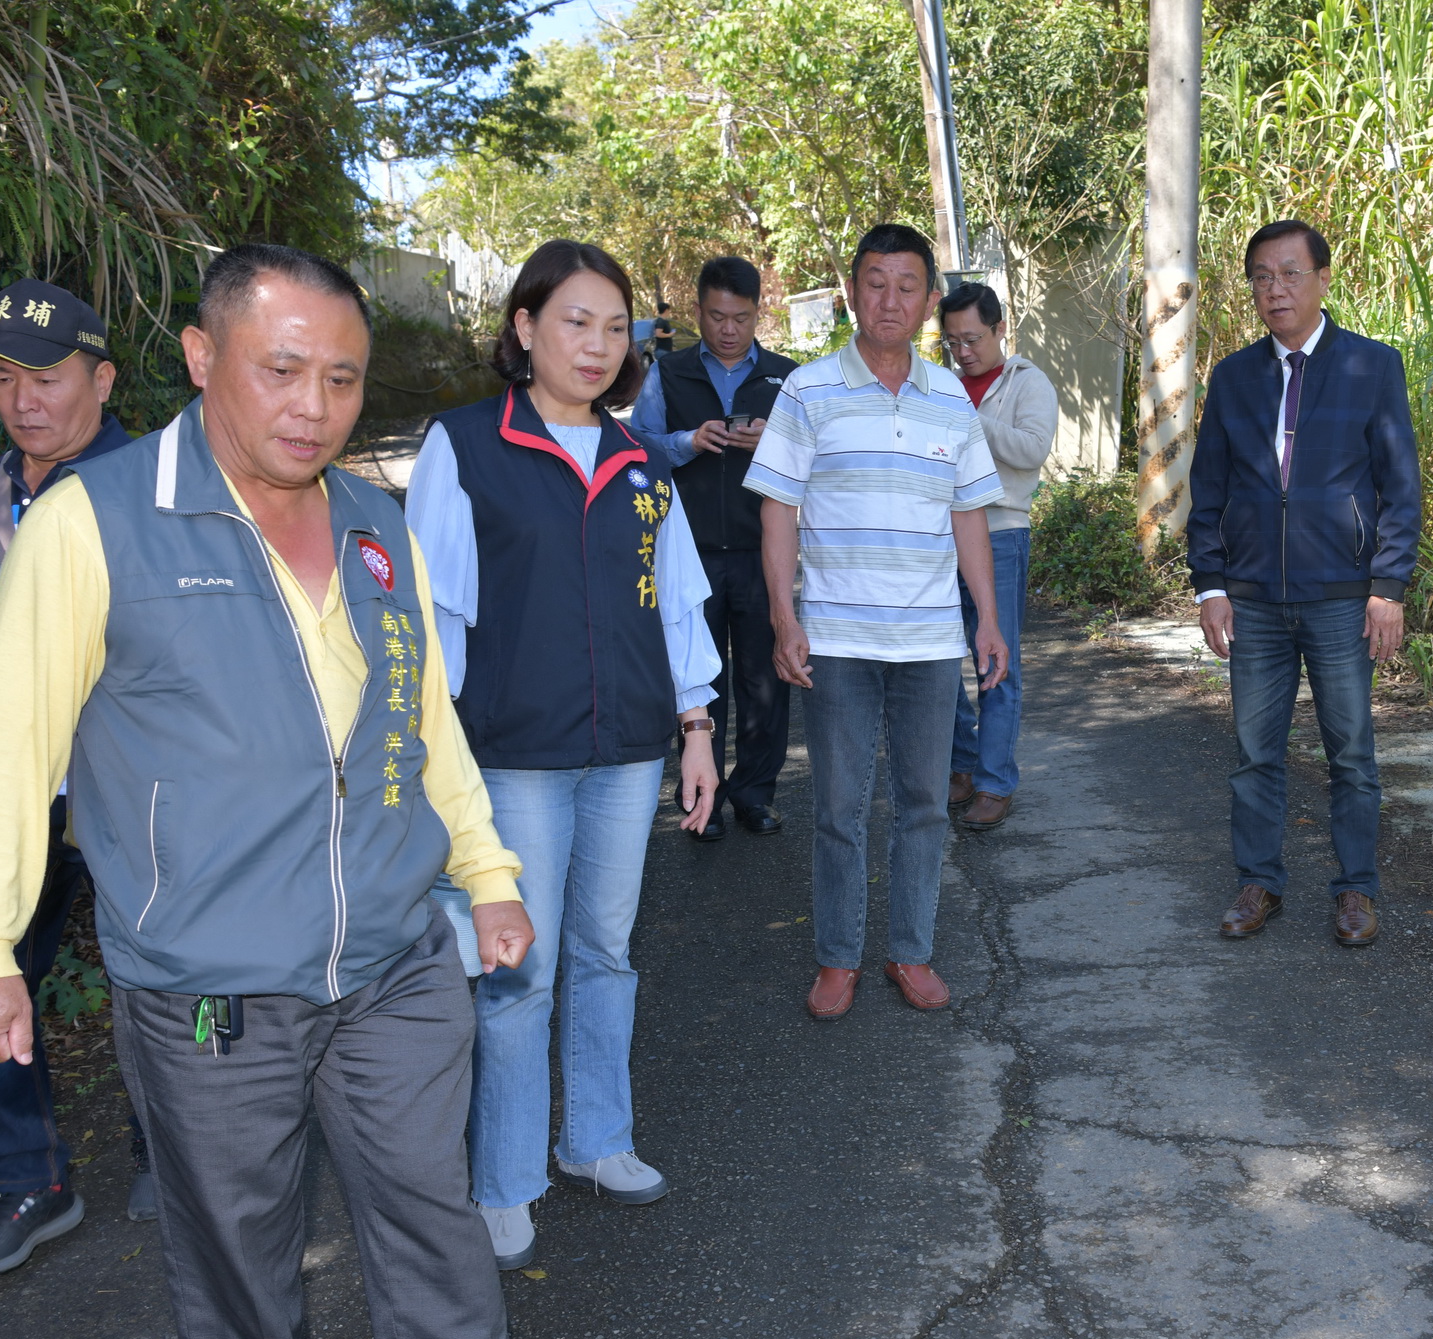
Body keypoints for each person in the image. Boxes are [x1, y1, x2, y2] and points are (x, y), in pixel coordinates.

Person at [0, 243, 574, 1339]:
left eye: (342, 377)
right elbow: (11, 743)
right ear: (200, 356)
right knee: (237, 1231)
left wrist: (488, 871)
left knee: (427, 1206)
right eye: (282, 368)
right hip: (209, 974)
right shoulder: (96, 522)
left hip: (396, 952)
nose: (314, 404)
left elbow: (421, 720)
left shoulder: (371, 520)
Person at [406, 239, 722, 1266]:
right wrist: (431, 765)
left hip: (628, 752)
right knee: (516, 967)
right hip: (513, 758)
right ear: (525, 327)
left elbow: (675, 608)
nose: (595, 343)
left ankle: (597, 1139)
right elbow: (431, 622)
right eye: (574, 320)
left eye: (613, 324)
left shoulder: (638, 459)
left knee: (605, 953)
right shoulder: (465, 445)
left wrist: (697, 727)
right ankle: (504, 1178)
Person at [0, 278, 147, 1278]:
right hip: (30, 787)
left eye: (47, 378)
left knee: (169, 972)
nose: (25, 401)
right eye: (6, 379)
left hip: (137, 773)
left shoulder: (153, 485)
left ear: (100, 379)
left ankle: (179, 1152)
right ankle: (32, 1178)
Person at [746, 223, 1007, 1020]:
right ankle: (837, 957)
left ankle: (910, 949)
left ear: (929, 301)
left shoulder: (949, 404)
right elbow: (778, 511)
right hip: (837, 642)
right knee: (838, 806)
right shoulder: (808, 391)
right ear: (851, 290)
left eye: (906, 285)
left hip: (929, 642)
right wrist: (785, 616)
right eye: (874, 282)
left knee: (926, 803)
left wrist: (987, 620)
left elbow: (968, 518)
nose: (889, 299)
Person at [1186, 219, 1421, 947]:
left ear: (1323, 279)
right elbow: (1209, 489)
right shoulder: (1233, 378)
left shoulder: (1371, 367)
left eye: (1289, 273)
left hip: (1341, 598)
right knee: (1256, 752)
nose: (1274, 289)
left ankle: (1356, 890)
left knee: (1350, 751)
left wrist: (1387, 587)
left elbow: (1400, 488)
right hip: (1253, 600)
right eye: (1261, 276)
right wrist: (1210, 584)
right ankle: (1258, 882)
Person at [631, 255, 799, 838]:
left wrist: (770, 444)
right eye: (717, 316)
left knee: (763, 679)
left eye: (742, 318)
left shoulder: (785, 376)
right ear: (698, 310)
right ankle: (701, 796)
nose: (729, 329)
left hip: (762, 552)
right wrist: (687, 441)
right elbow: (638, 447)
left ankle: (754, 794)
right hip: (688, 551)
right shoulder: (668, 372)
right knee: (698, 679)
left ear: (758, 316)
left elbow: (814, 456)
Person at [935, 282, 1058, 833]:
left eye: (973, 339)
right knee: (937, 661)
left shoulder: (1028, 383)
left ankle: (993, 782)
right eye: (952, 342)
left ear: (1000, 327)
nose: (963, 352)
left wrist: (965, 415)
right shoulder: (940, 385)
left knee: (995, 663)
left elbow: (1032, 450)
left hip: (1003, 531)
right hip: (940, 536)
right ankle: (963, 765)